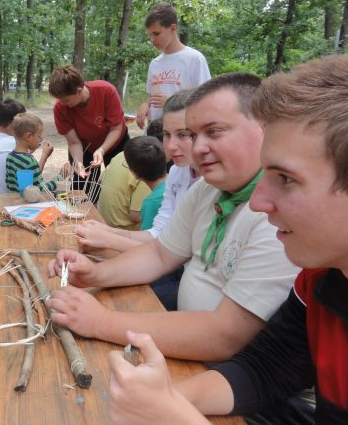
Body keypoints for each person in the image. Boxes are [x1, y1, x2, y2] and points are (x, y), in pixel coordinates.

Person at [107, 54, 348, 425]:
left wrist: (175, 415)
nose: (257, 201)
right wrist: (165, 399)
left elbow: (226, 338)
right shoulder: (319, 279)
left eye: (285, 178)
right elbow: (263, 369)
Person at [47, 73, 299, 364]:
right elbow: (159, 254)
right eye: (192, 134)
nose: (197, 147)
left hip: (229, 372)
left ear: (264, 129)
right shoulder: (207, 189)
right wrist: (95, 274)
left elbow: (224, 336)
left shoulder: (279, 215)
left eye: (213, 132)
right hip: (187, 350)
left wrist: (101, 321)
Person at [79, 90, 197, 253]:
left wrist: (109, 239)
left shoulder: (212, 183)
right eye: (166, 135)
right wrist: (107, 231)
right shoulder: (177, 173)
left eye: (183, 134)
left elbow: (172, 254)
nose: (170, 146)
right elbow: (157, 234)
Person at [49, 65, 130, 202]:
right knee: (82, 187)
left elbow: (116, 129)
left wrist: (102, 150)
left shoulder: (106, 91)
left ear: (79, 91)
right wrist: (79, 163)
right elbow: (74, 142)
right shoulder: (60, 109)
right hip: (84, 148)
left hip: (116, 143)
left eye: (65, 100)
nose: (61, 103)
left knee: (120, 182)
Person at [135, 2, 210, 129]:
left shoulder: (194, 59)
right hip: (154, 132)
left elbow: (205, 100)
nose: (152, 40)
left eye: (156, 33)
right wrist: (146, 105)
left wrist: (170, 103)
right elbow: (153, 97)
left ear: (173, 28)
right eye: (150, 34)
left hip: (181, 131)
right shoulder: (155, 63)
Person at [96, 150, 152, 231]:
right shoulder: (150, 169)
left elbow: (100, 180)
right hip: (124, 233)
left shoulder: (122, 154)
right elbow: (135, 216)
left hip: (103, 222)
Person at [5, 113, 60, 192]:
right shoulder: (29, 161)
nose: (40, 140)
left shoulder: (10, 157)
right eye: (39, 136)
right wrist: (59, 179)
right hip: (28, 204)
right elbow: (38, 191)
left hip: (16, 202)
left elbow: (11, 184)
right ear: (29, 137)